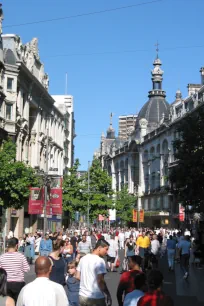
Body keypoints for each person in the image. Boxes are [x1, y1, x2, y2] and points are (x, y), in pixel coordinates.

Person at [76, 239, 112, 306]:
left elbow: (77, 276)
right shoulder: (100, 261)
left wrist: (87, 281)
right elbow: (100, 280)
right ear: (99, 248)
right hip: (95, 297)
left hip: (82, 295)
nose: (107, 252)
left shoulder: (83, 258)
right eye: (106, 249)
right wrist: (107, 294)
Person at [0, 237, 30, 303]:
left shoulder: (2, 257)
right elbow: (27, 269)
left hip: (6, 284)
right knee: (18, 302)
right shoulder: (21, 256)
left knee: (7, 302)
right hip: (18, 284)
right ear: (16, 245)